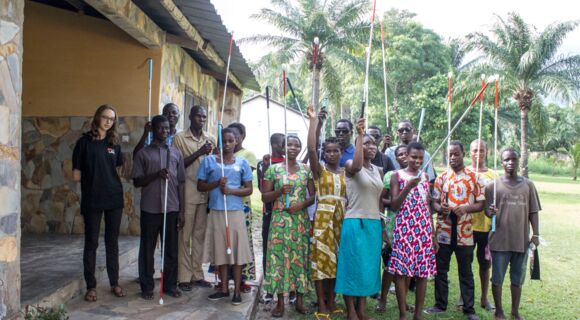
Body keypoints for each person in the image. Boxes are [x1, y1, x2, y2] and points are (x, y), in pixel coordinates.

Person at [72, 104, 125, 302]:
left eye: (112, 119)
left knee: (112, 242)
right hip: (93, 199)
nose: (108, 121)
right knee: (91, 242)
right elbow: (76, 175)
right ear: (97, 118)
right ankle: (91, 286)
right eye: (105, 117)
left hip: (114, 199)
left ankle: (114, 283)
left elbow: (117, 170)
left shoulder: (114, 143)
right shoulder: (83, 143)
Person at [426, 141, 485, 320]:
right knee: (440, 269)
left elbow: (481, 203)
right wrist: (439, 207)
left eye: (456, 154)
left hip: (465, 232)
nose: (452, 157)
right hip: (443, 230)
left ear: (463, 154)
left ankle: (469, 309)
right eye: (449, 154)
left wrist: (466, 208)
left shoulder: (474, 178)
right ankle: (440, 304)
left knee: (465, 271)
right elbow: (434, 202)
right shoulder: (442, 178)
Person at [197, 127, 254, 305]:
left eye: (231, 141)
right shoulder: (209, 161)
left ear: (236, 141)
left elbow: (249, 189)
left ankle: (236, 291)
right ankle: (223, 288)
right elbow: (200, 186)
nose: (227, 144)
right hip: (216, 211)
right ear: (219, 143)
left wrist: (231, 190)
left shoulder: (243, 163)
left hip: (235, 212)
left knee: (236, 253)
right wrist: (216, 183)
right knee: (221, 250)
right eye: (224, 141)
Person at [132, 115, 186, 300]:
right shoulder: (143, 154)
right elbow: (137, 181)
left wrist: (182, 211)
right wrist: (156, 174)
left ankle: (170, 285)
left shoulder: (176, 153)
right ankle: (146, 286)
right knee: (147, 249)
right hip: (150, 209)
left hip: (171, 208)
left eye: (167, 128)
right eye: (161, 128)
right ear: (153, 129)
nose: (165, 131)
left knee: (171, 250)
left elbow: (181, 183)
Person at [261, 135, 315, 317]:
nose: (292, 147)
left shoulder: (306, 170)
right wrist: (279, 191)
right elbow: (264, 197)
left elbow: (313, 196)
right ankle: (280, 303)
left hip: (299, 221)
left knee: (299, 257)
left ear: (300, 148)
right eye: (289, 144)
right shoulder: (273, 170)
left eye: (296, 145)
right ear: (282, 148)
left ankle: (299, 300)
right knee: (278, 259)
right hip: (279, 221)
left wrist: (300, 205)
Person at [335, 118, 383, 320]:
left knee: (367, 268)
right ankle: (351, 311)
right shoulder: (349, 164)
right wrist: (360, 134)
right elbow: (356, 165)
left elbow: (378, 200)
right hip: (355, 222)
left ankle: (362, 310)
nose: (370, 147)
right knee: (351, 265)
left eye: (373, 143)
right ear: (357, 146)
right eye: (365, 143)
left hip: (373, 223)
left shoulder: (378, 170)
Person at [485, 149, 541, 320]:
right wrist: (490, 211)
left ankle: (515, 311)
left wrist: (536, 234)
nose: (510, 162)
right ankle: (499, 311)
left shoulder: (528, 185)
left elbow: (533, 212)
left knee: (517, 279)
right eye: (506, 159)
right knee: (497, 279)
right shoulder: (492, 187)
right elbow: (487, 211)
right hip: (500, 241)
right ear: (501, 162)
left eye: (513, 159)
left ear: (518, 161)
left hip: (521, 241)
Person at [388, 142, 437, 320]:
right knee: (401, 272)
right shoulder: (397, 176)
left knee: (422, 273)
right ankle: (402, 313)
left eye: (420, 158)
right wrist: (408, 186)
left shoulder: (424, 176)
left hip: (423, 230)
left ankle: (418, 314)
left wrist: (432, 234)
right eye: (413, 157)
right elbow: (394, 206)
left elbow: (427, 206)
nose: (417, 161)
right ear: (406, 156)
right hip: (404, 230)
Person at [306, 106, 346, 319]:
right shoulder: (319, 171)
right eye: (327, 151)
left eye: (335, 150)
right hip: (323, 218)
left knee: (336, 261)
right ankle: (321, 302)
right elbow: (311, 149)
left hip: (342, 219)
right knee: (321, 259)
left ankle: (332, 299)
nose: (331, 154)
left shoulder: (346, 172)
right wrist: (314, 122)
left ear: (340, 152)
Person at [173, 105, 215, 291]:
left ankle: (197, 274)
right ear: (190, 117)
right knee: (184, 235)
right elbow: (177, 165)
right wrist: (199, 152)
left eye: (204, 117)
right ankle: (183, 276)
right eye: (198, 116)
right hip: (187, 193)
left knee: (199, 236)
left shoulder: (211, 138)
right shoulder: (179, 138)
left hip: (205, 194)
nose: (201, 119)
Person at [461, 139, 496, 311]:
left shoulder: (493, 175)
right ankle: (464, 296)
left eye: (481, 150)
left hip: (485, 226)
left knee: (485, 263)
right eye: (475, 150)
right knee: (465, 262)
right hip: (466, 225)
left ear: (487, 152)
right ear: (469, 152)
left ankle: (484, 297)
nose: (478, 153)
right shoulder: (464, 172)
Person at [376, 144, 407, 313]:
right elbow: (382, 200)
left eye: (405, 153)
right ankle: (383, 298)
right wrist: (383, 227)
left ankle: (403, 300)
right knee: (389, 265)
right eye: (399, 154)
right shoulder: (390, 175)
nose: (403, 156)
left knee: (407, 266)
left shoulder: (419, 175)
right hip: (393, 224)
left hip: (411, 227)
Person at [228, 122, 258, 292]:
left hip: (241, 204)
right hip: (224, 203)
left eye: (236, 136)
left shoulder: (248, 155)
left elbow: (243, 179)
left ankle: (243, 279)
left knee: (242, 242)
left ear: (242, 137)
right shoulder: (221, 154)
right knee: (225, 240)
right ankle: (223, 278)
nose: (233, 140)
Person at [257, 133, 285, 304]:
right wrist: (267, 168)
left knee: (286, 251)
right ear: (274, 144)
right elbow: (263, 190)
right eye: (283, 143)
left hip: (287, 212)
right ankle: (269, 288)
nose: (285, 147)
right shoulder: (264, 163)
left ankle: (288, 287)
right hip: (270, 212)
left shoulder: (288, 162)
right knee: (269, 251)